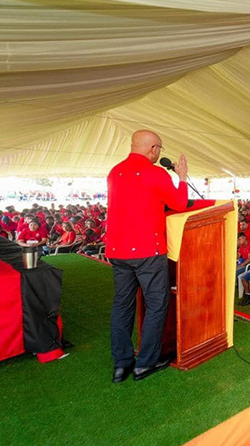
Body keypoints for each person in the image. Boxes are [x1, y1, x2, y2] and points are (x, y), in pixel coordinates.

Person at [106, 130, 188, 383]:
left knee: (122, 305)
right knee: (156, 304)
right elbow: (180, 204)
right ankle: (145, 364)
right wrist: (181, 178)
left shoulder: (114, 172)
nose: (159, 153)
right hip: (147, 251)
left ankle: (121, 365)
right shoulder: (156, 173)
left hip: (118, 251)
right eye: (159, 149)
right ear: (153, 149)